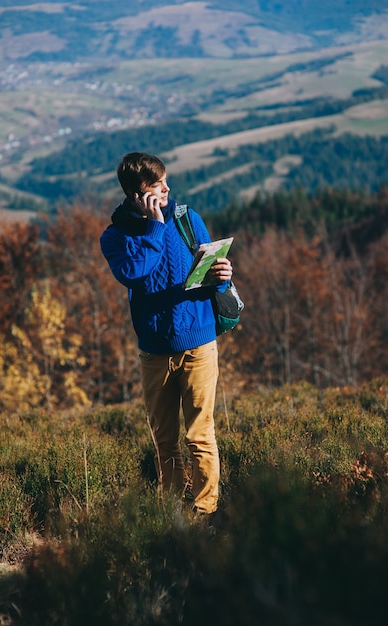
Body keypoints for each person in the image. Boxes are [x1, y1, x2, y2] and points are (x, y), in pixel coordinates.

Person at [100, 152, 232, 515]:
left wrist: (222, 278)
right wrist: (155, 227)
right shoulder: (116, 237)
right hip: (155, 354)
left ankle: (206, 515)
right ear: (137, 193)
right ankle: (172, 514)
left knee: (200, 436)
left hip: (199, 345)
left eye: (166, 181)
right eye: (158, 185)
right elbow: (136, 274)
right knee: (165, 443)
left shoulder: (189, 220)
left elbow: (208, 279)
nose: (168, 188)